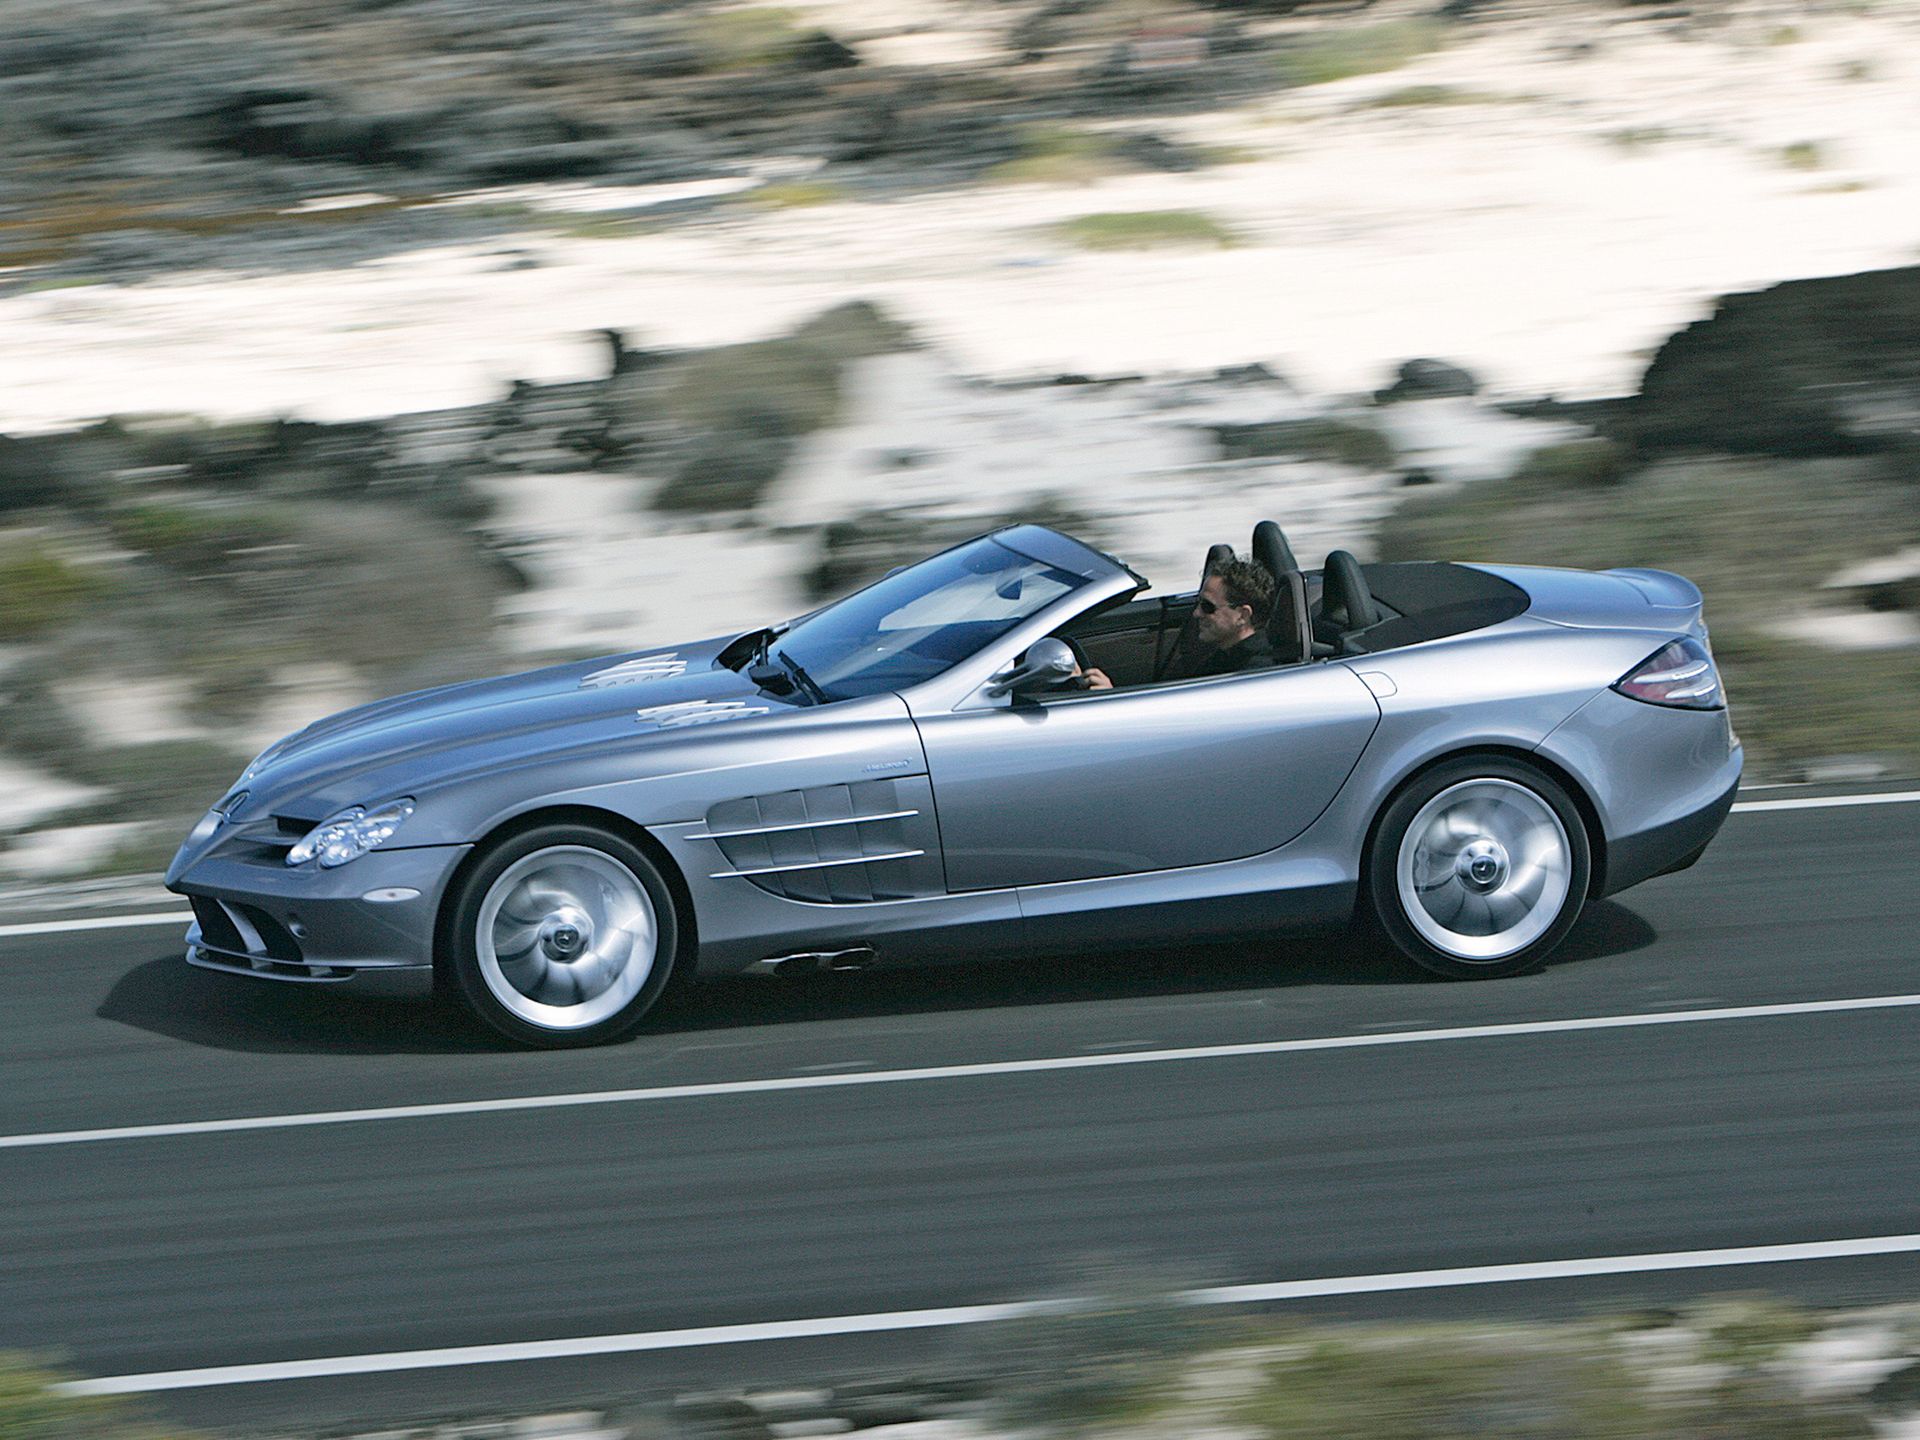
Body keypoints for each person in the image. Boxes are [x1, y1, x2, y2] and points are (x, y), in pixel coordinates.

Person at [1181, 554, 1276, 678]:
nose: (1196, 613)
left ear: (1242, 615)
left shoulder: (1255, 674)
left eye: (1207, 606)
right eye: (1198, 603)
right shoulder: (1222, 658)